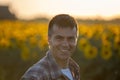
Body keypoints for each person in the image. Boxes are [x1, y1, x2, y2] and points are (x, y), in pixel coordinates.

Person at [21, 14, 80, 80]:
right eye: (59, 38)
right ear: (49, 39)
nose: (65, 44)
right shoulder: (35, 76)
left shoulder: (74, 69)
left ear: (76, 40)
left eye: (70, 39)